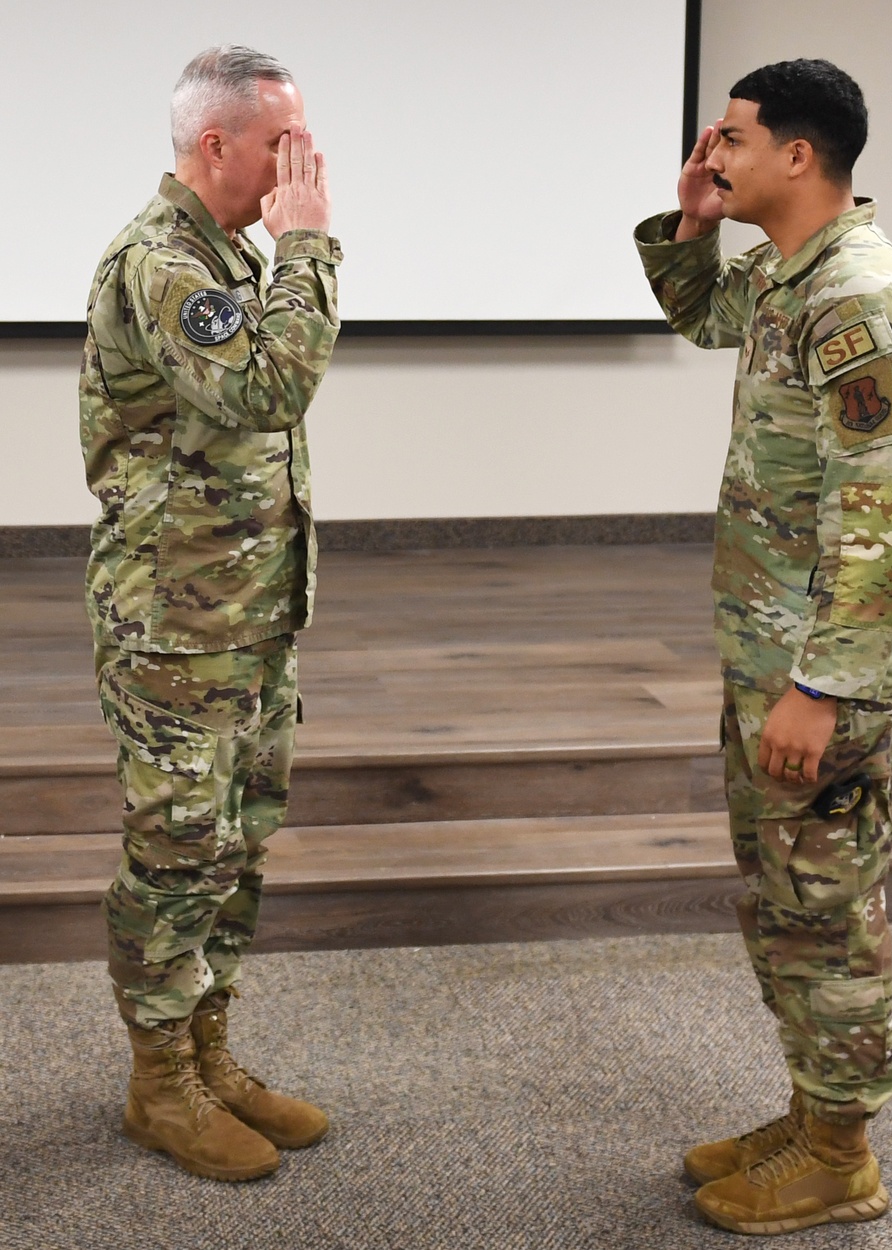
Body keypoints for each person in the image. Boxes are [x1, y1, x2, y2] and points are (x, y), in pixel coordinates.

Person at [634, 59, 892, 1234]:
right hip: (777, 646)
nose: (715, 151)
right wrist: (691, 224)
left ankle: (841, 1154)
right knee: (783, 903)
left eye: (734, 139)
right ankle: (814, 1113)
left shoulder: (857, 298)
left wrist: (820, 685)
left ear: (798, 156)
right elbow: (702, 315)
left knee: (825, 907)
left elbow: (879, 509)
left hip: (829, 667)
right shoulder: (785, 272)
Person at [79, 45, 342, 1182]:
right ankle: (159, 1081)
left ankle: (207, 1048)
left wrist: (284, 252)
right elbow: (268, 387)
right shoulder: (161, 262)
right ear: (215, 145)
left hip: (245, 614)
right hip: (173, 628)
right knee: (177, 851)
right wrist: (313, 246)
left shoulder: (226, 250)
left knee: (236, 849)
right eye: (282, 139)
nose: (302, 160)